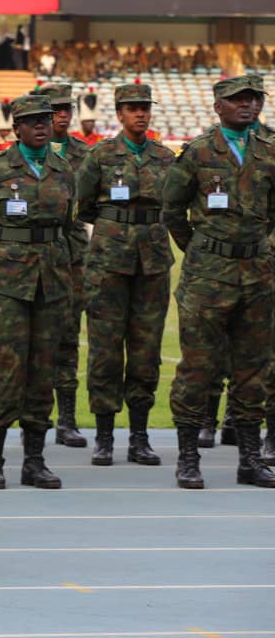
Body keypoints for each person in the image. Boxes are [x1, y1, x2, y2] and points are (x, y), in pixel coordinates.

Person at [161, 76, 275, 489]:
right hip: (208, 277)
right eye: (238, 100)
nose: (247, 105)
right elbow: (171, 210)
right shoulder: (197, 152)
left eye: (254, 99)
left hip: (257, 275)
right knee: (198, 367)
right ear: (218, 106)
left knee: (253, 369)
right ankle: (188, 458)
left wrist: (255, 247)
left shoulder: (269, 150)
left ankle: (249, 459)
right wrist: (201, 250)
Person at [0, 94, 75, 490]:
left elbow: (70, 224)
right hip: (4, 284)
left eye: (46, 118)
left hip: (52, 282)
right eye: (32, 120)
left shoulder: (64, 169)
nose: (42, 125)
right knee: (5, 368)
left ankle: (34, 460)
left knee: (43, 370)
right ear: (17, 128)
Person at [75, 83, 174, 467]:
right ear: (119, 114)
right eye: (132, 108)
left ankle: (139, 436)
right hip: (107, 264)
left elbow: (176, 205)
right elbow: (83, 206)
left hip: (152, 262)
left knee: (146, 350)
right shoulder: (99, 156)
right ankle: (103, 437)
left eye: (145, 108)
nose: (140, 114)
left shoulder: (165, 157)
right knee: (105, 349)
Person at [34, 83, 91, 448]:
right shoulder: (25, 154)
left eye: (66, 108)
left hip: (72, 257)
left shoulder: (85, 155)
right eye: (55, 109)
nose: (62, 114)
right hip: (30, 260)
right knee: (31, 341)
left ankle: (67, 419)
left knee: (68, 336)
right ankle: (33, 417)